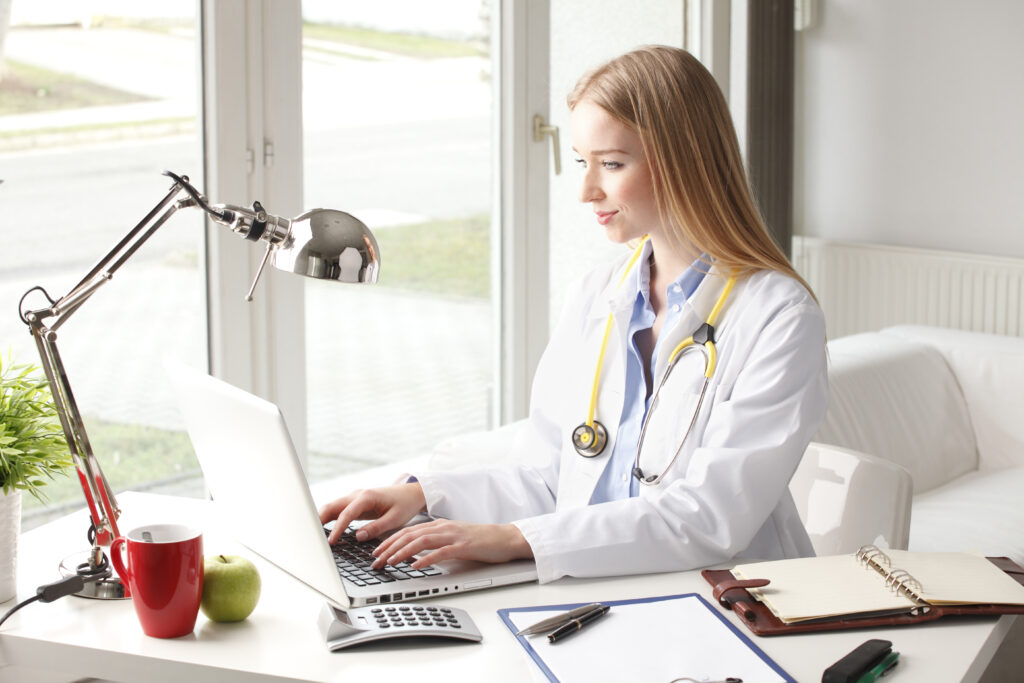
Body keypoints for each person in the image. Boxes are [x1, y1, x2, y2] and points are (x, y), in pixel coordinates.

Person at [319, 45, 828, 584]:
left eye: (611, 164)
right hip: (598, 590)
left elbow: (709, 519)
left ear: (684, 159)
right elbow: (549, 475)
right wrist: (426, 495)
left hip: (727, 603)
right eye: (583, 162)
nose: (587, 191)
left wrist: (515, 539)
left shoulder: (779, 317)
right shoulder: (595, 297)